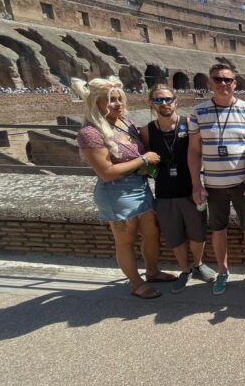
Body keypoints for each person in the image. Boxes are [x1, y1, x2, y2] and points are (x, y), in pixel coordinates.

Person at [74, 76, 175, 299]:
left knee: (152, 234)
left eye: (120, 99)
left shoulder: (125, 123)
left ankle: (152, 272)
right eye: (111, 100)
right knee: (125, 240)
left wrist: (143, 166)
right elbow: (106, 172)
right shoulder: (90, 133)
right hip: (116, 192)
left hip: (139, 187)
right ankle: (136, 283)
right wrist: (144, 160)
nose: (118, 104)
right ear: (96, 103)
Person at [188, 64, 245, 295]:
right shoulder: (198, 112)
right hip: (213, 184)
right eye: (218, 79)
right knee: (218, 230)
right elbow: (194, 151)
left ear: (235, 83)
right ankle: (222, 271)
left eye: (227, 80)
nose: (223, 84)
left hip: (243, 184)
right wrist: (196, 184)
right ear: (210, 82)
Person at [140, 85, 217, 293]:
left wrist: (198, 182)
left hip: (190, 188)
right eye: (158, 100)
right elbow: (146, 163)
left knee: (198, 233)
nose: (163, 104)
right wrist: (152, 171)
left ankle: (199, 264)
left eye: (167, 99)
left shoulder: (190, 124)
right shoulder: (147, 131)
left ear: (176, 101)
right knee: (174, 236)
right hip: (164, 192)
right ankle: (185, 270)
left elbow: (200, 153)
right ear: (151, 103)